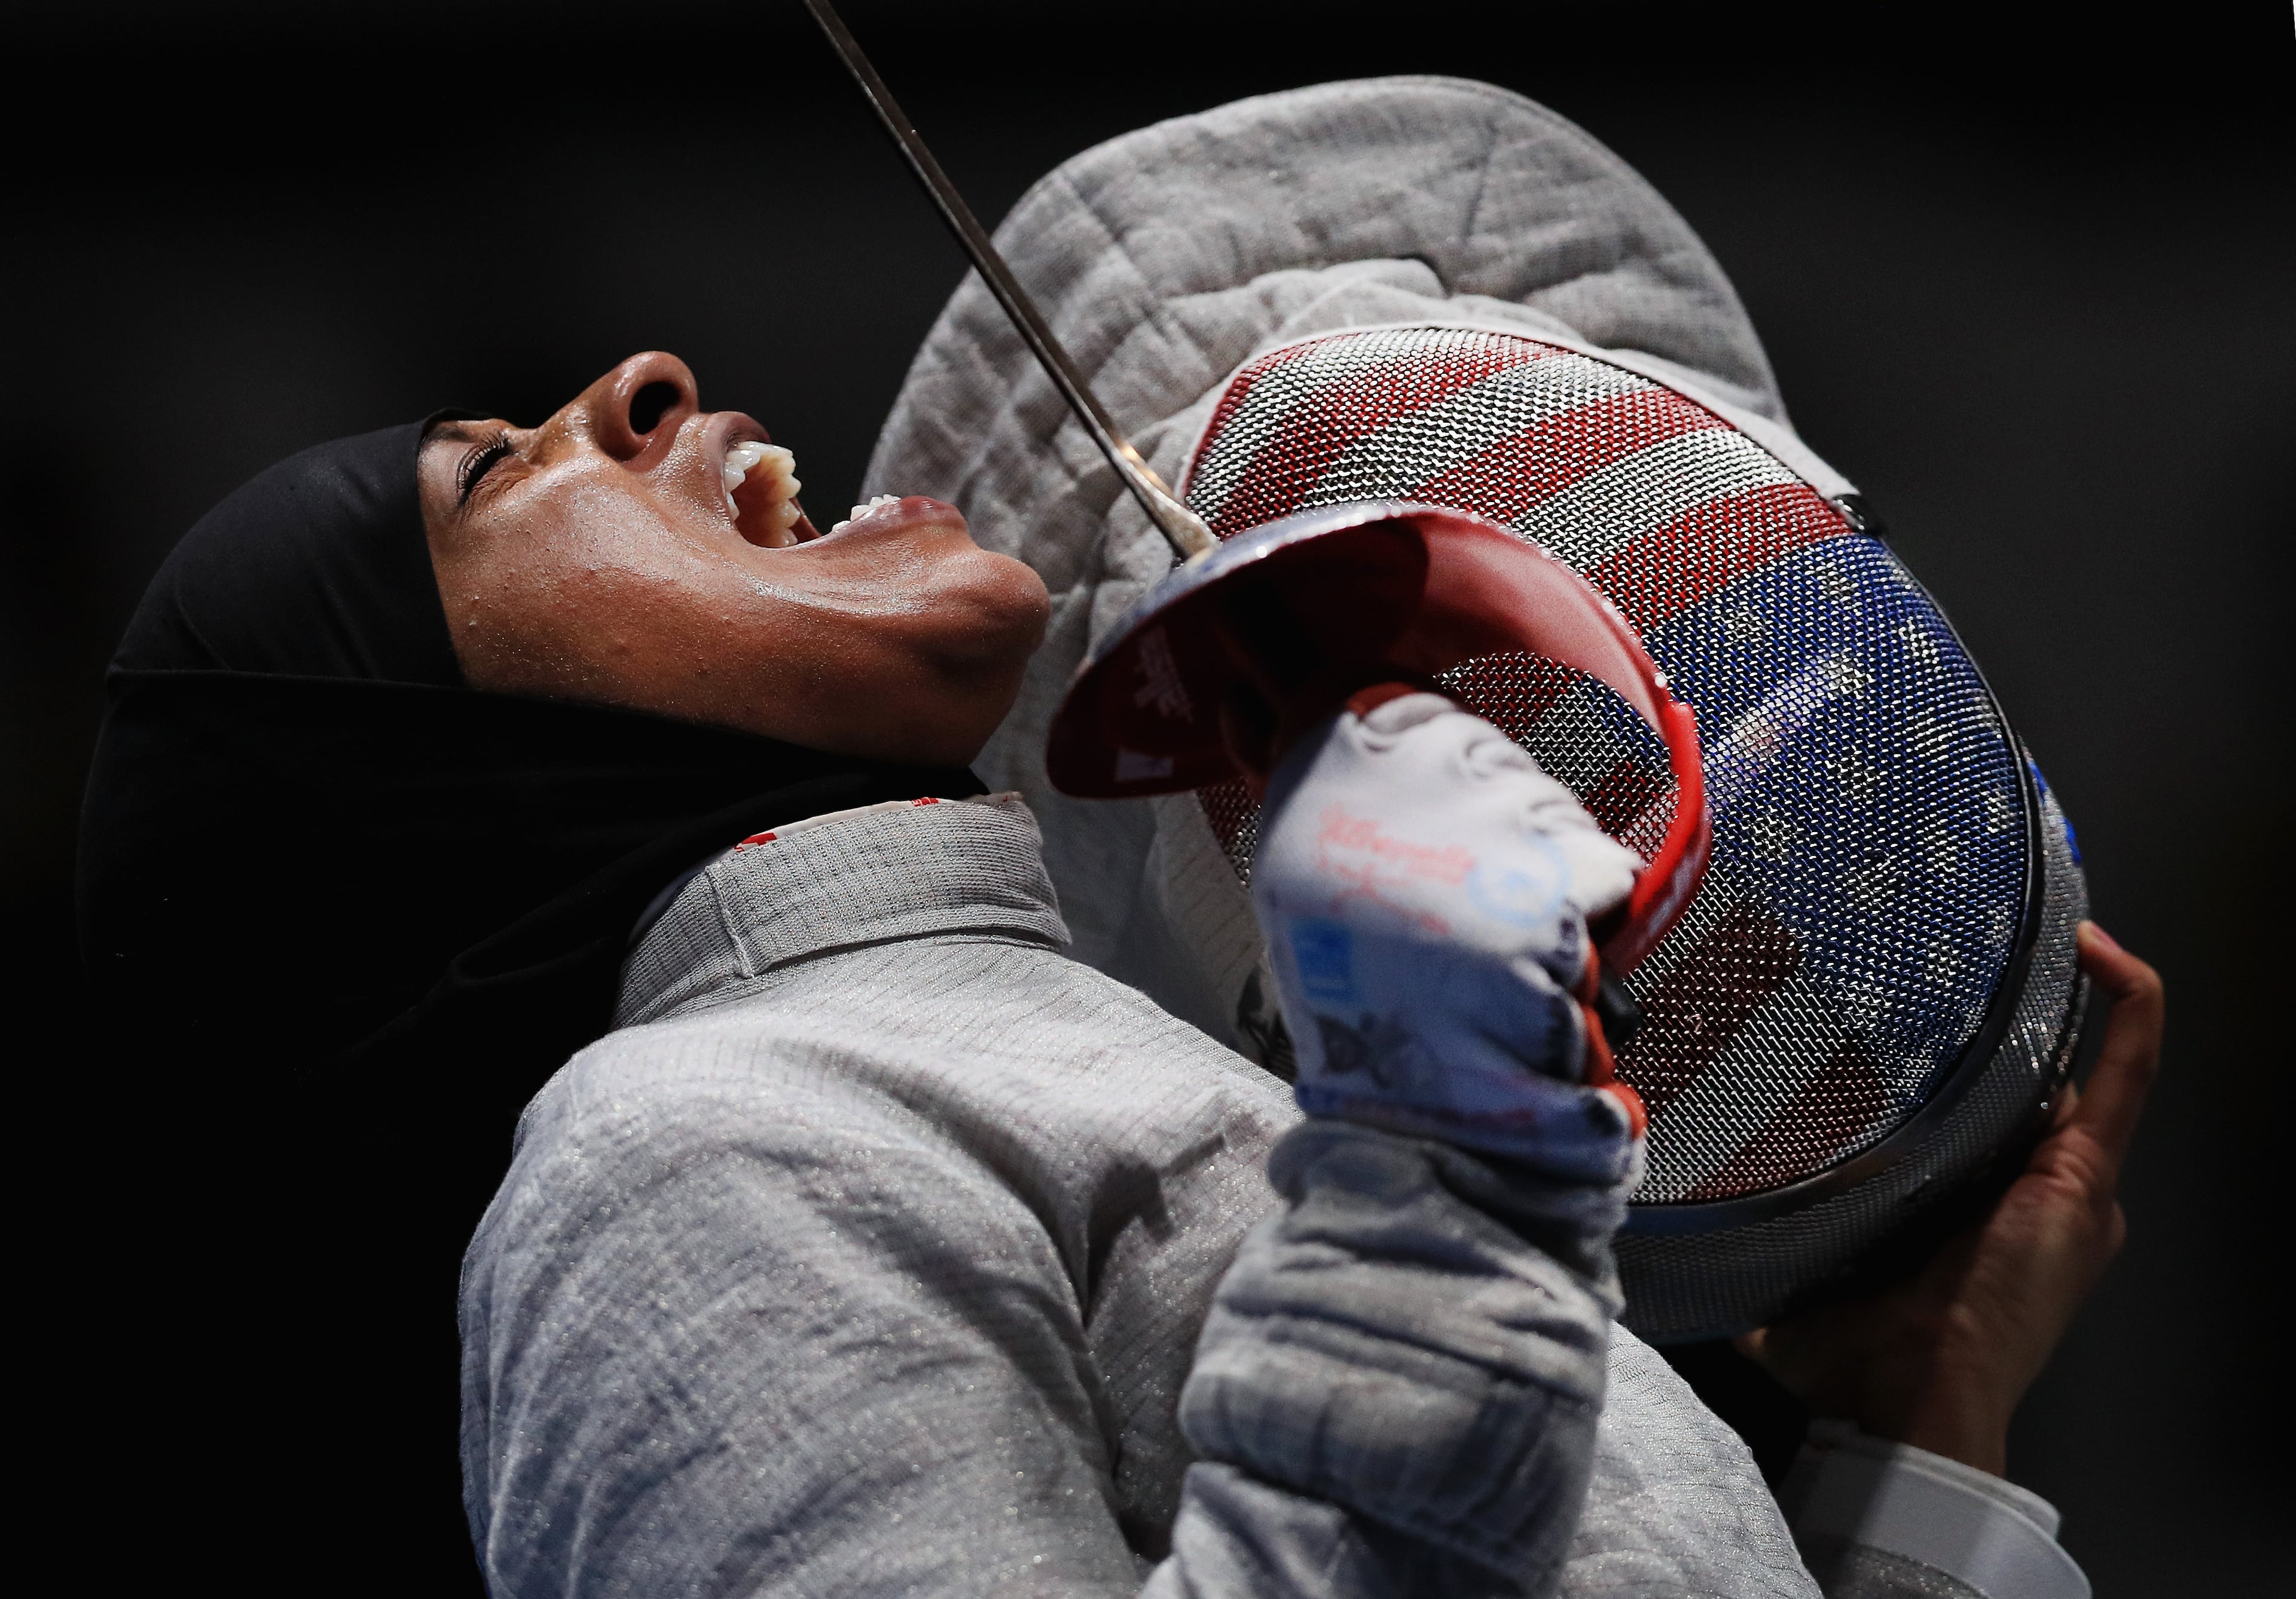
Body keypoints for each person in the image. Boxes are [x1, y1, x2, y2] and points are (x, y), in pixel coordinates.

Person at [77, 81, 2160, 1599]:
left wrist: (1909, 1443)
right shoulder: (667, 1165)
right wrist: (1440, 1156)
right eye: (497, 474)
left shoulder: (1136, 1068)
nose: (635, 388)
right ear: (428, 786)